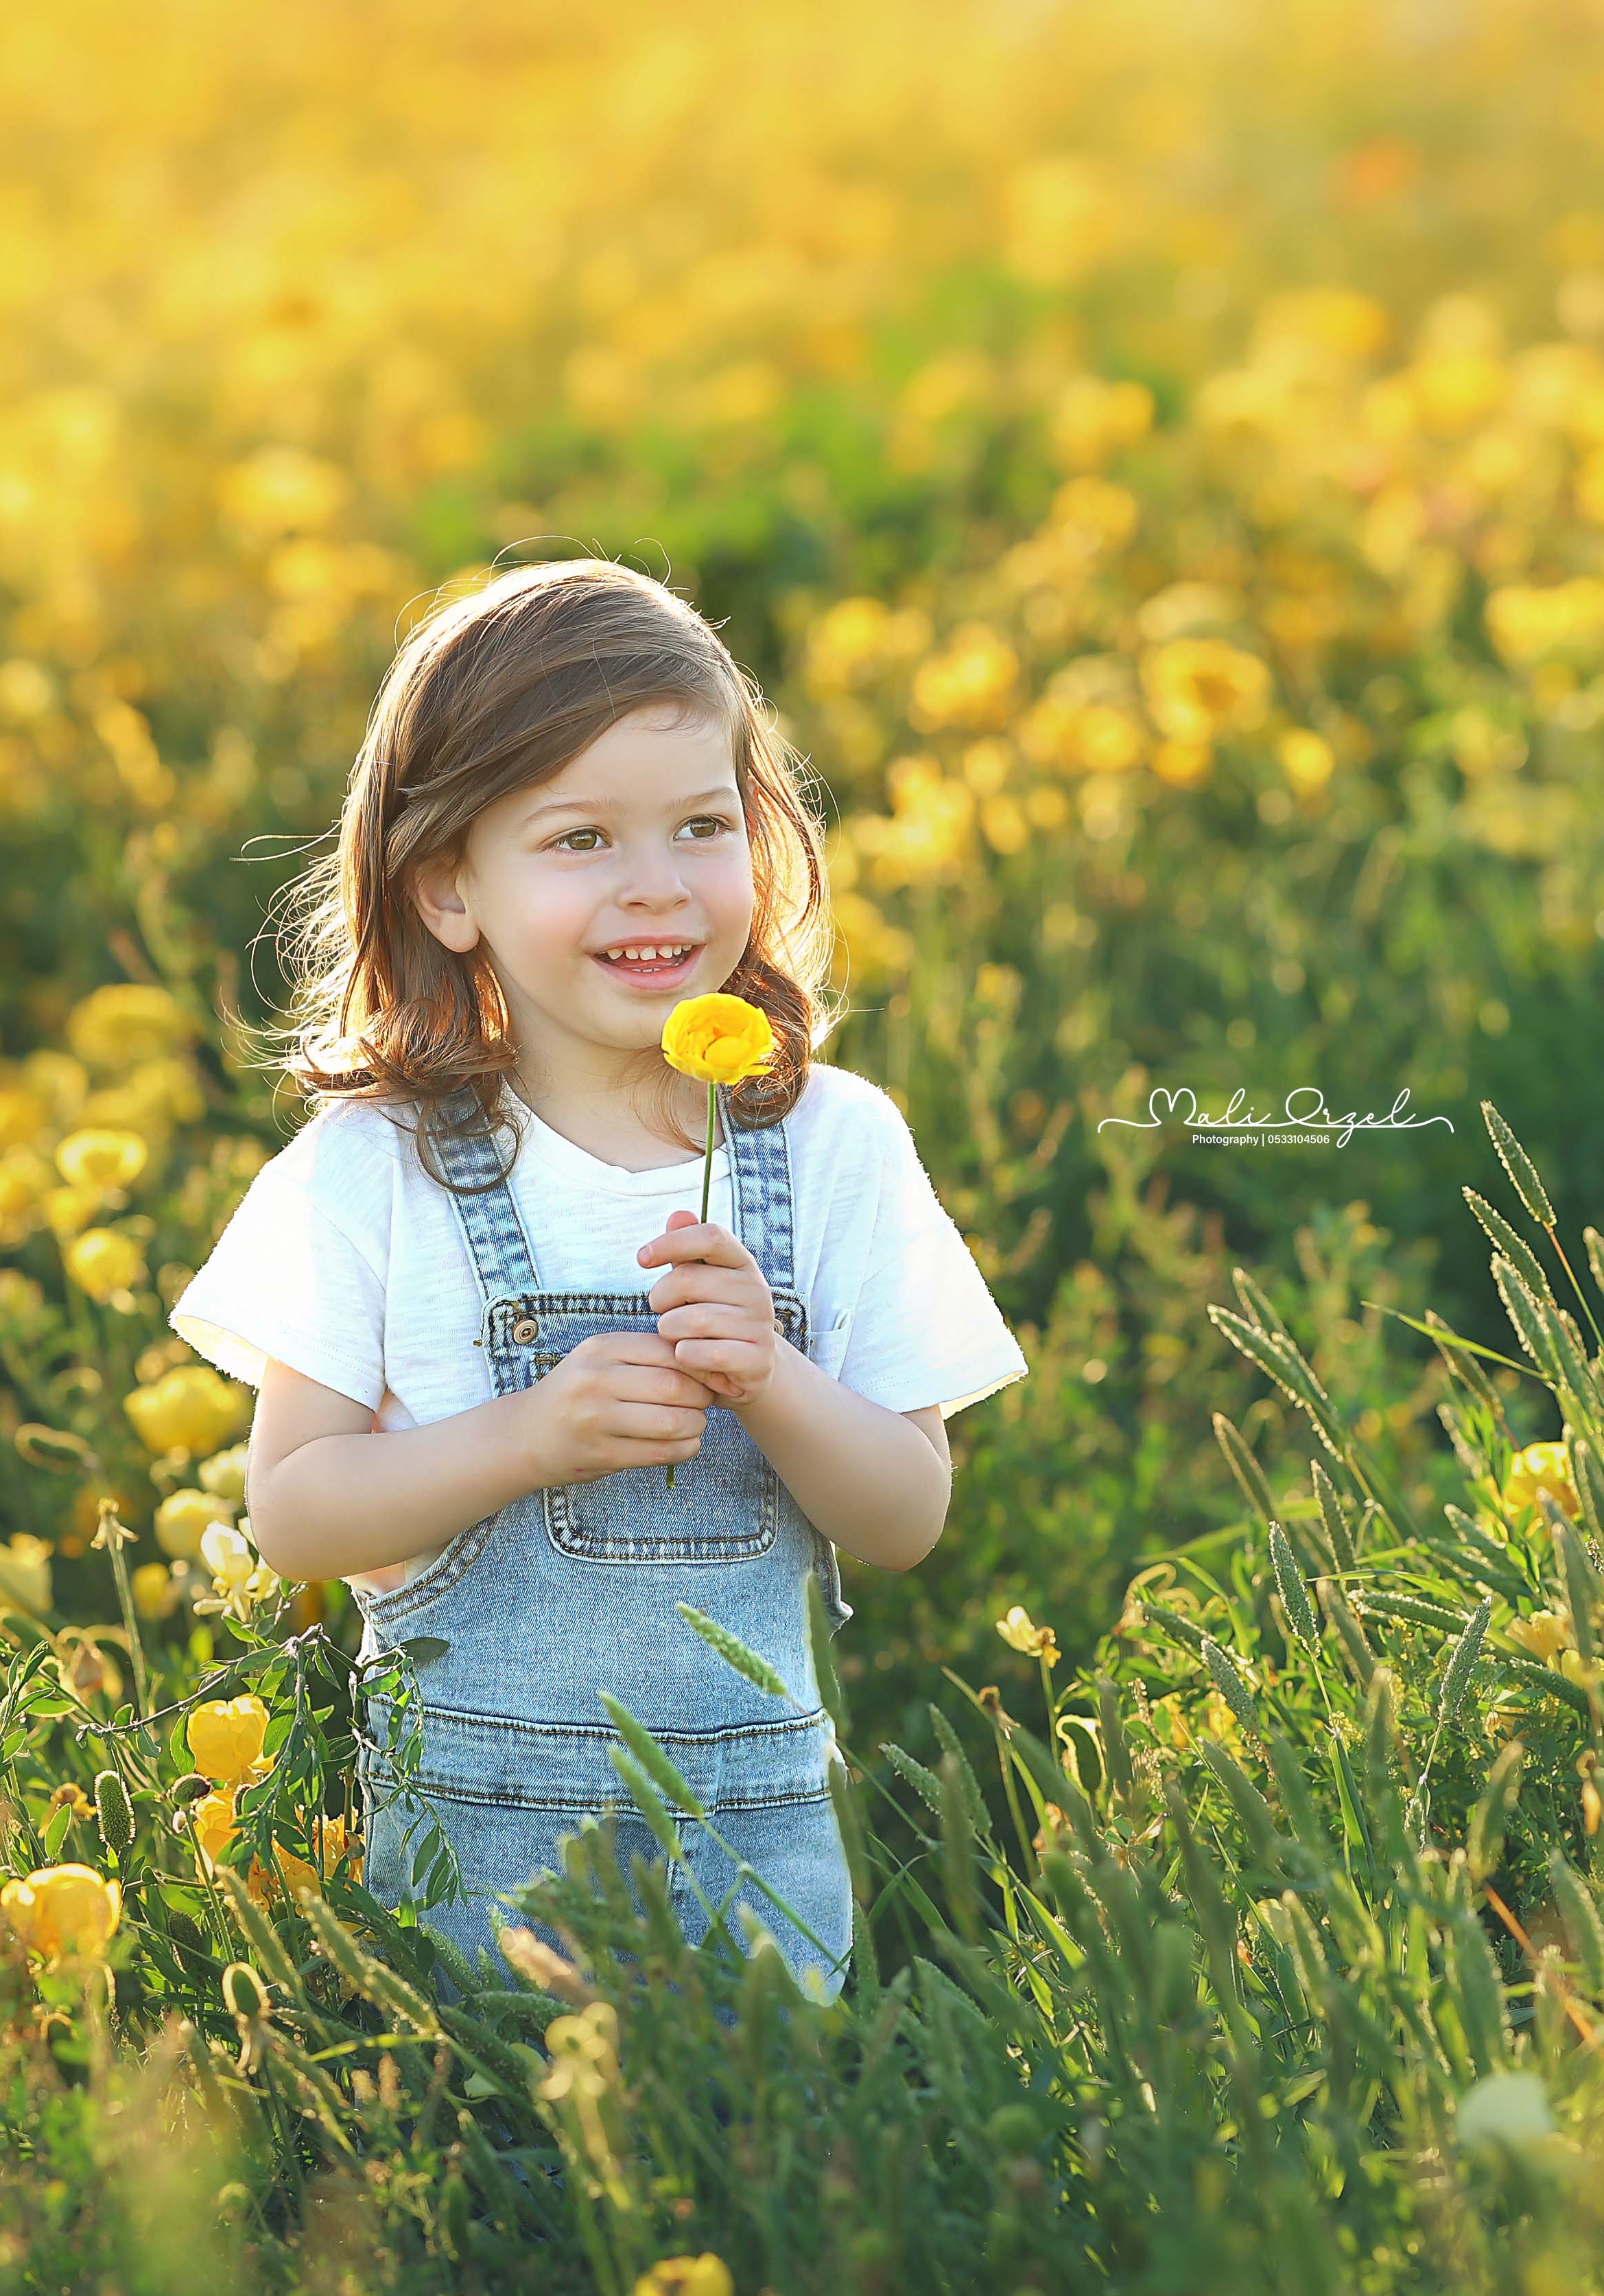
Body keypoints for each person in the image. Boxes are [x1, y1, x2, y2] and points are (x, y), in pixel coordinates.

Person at [167, 556, 1028, 1995]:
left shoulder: (830, 1145)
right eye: (579, 839)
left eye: (702, 826)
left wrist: (774, 1378)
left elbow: (907, 1515)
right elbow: (298, 1515)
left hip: (759, 1877)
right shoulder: (378, 1168)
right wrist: (527, 1439)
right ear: (449, 887)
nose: (658, 886)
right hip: (478, 1887)